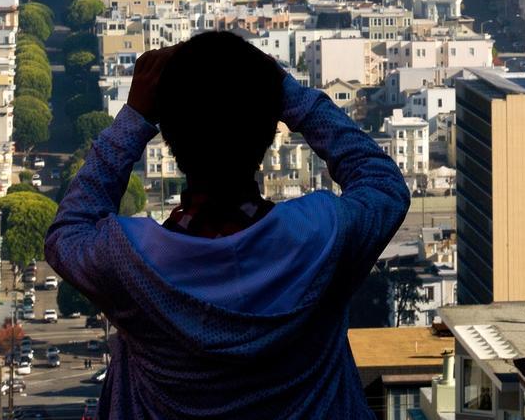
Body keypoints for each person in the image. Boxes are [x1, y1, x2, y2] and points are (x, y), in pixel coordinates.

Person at [45, 31, 410, 418]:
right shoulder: (321, 238)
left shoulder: (129, 263)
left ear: (168, 136)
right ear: (271, 129)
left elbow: (68, 232)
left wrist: (134, 118)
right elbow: (382, 185)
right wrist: (290, 94)